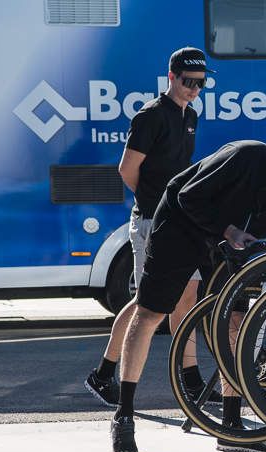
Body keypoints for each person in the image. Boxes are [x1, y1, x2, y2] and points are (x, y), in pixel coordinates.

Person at [110, 140, 266, 452]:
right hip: (181, 226)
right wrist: (228, 230)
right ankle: (124, 415)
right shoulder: (246, 157)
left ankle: (231, 426)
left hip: (229, 247)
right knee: (151, 313)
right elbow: (187, 196)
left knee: (235, 322)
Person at [85, 47, 219, 408]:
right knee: (149, 304)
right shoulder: (151, 116)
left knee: (187, 297)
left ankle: (190, 379)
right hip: (151, 222)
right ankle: (104, 373)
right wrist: (153, 205)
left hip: (181, 222)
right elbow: (127, 170)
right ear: (171, 77)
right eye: (189, 82)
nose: (194, 89)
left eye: (201, 84)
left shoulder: (189, 115)